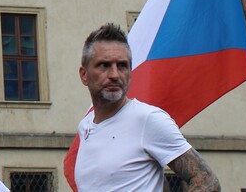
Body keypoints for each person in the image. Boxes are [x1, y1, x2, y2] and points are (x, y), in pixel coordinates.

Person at [74, 23, 220, 192]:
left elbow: (208, 182)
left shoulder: (148, 119)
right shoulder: (85, 126)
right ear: (84, 75)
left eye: (122, 65)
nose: (114, 75)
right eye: (104, 65)